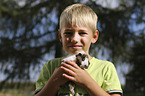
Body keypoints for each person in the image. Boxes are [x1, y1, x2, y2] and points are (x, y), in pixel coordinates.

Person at [35, 3, 123, 96]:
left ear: (94, 36)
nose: (74, 39)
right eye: (68, 33)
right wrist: (54, 82)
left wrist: (87, 82)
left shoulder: (106, 68)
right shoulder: (50, 67)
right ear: (60, 36)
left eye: (82, 33)